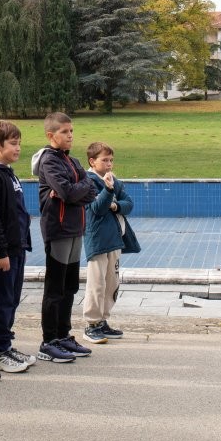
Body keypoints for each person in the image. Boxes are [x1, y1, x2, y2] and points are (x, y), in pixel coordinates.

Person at [30, 112, 97, 363]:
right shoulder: (50, 161)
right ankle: (49, 341)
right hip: (58, 230)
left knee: (70, 286)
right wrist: (76, 189)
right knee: (55, 288)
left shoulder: (74, 160)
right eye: (65, 132)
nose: (70, 135)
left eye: (71, 131)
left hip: (75, 228)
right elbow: (69, 192)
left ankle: (63, 334)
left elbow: (90, 189)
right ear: (51, 135)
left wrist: (77, 189)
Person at [0, 121, 35, 373]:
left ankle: (6, 344)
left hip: (17, 248)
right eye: (13, 144)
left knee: (12, 299)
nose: (18, 148)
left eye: (19, 143)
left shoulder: (7, 172)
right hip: (5, 252)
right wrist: (0, 251)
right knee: (2, 300)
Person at [82, 142, 132, 345]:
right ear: (92, 161)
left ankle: (103, 320)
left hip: (114, 240)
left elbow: (128, 204)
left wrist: (116, 204)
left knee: (111, 282)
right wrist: (109, 190)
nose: (109, 164)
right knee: (97, 283)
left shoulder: (114, 180)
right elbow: (97, 207)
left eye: (111, 160)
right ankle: (91, 324)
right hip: (98, 240)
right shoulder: (88, 181)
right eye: (105, 160)